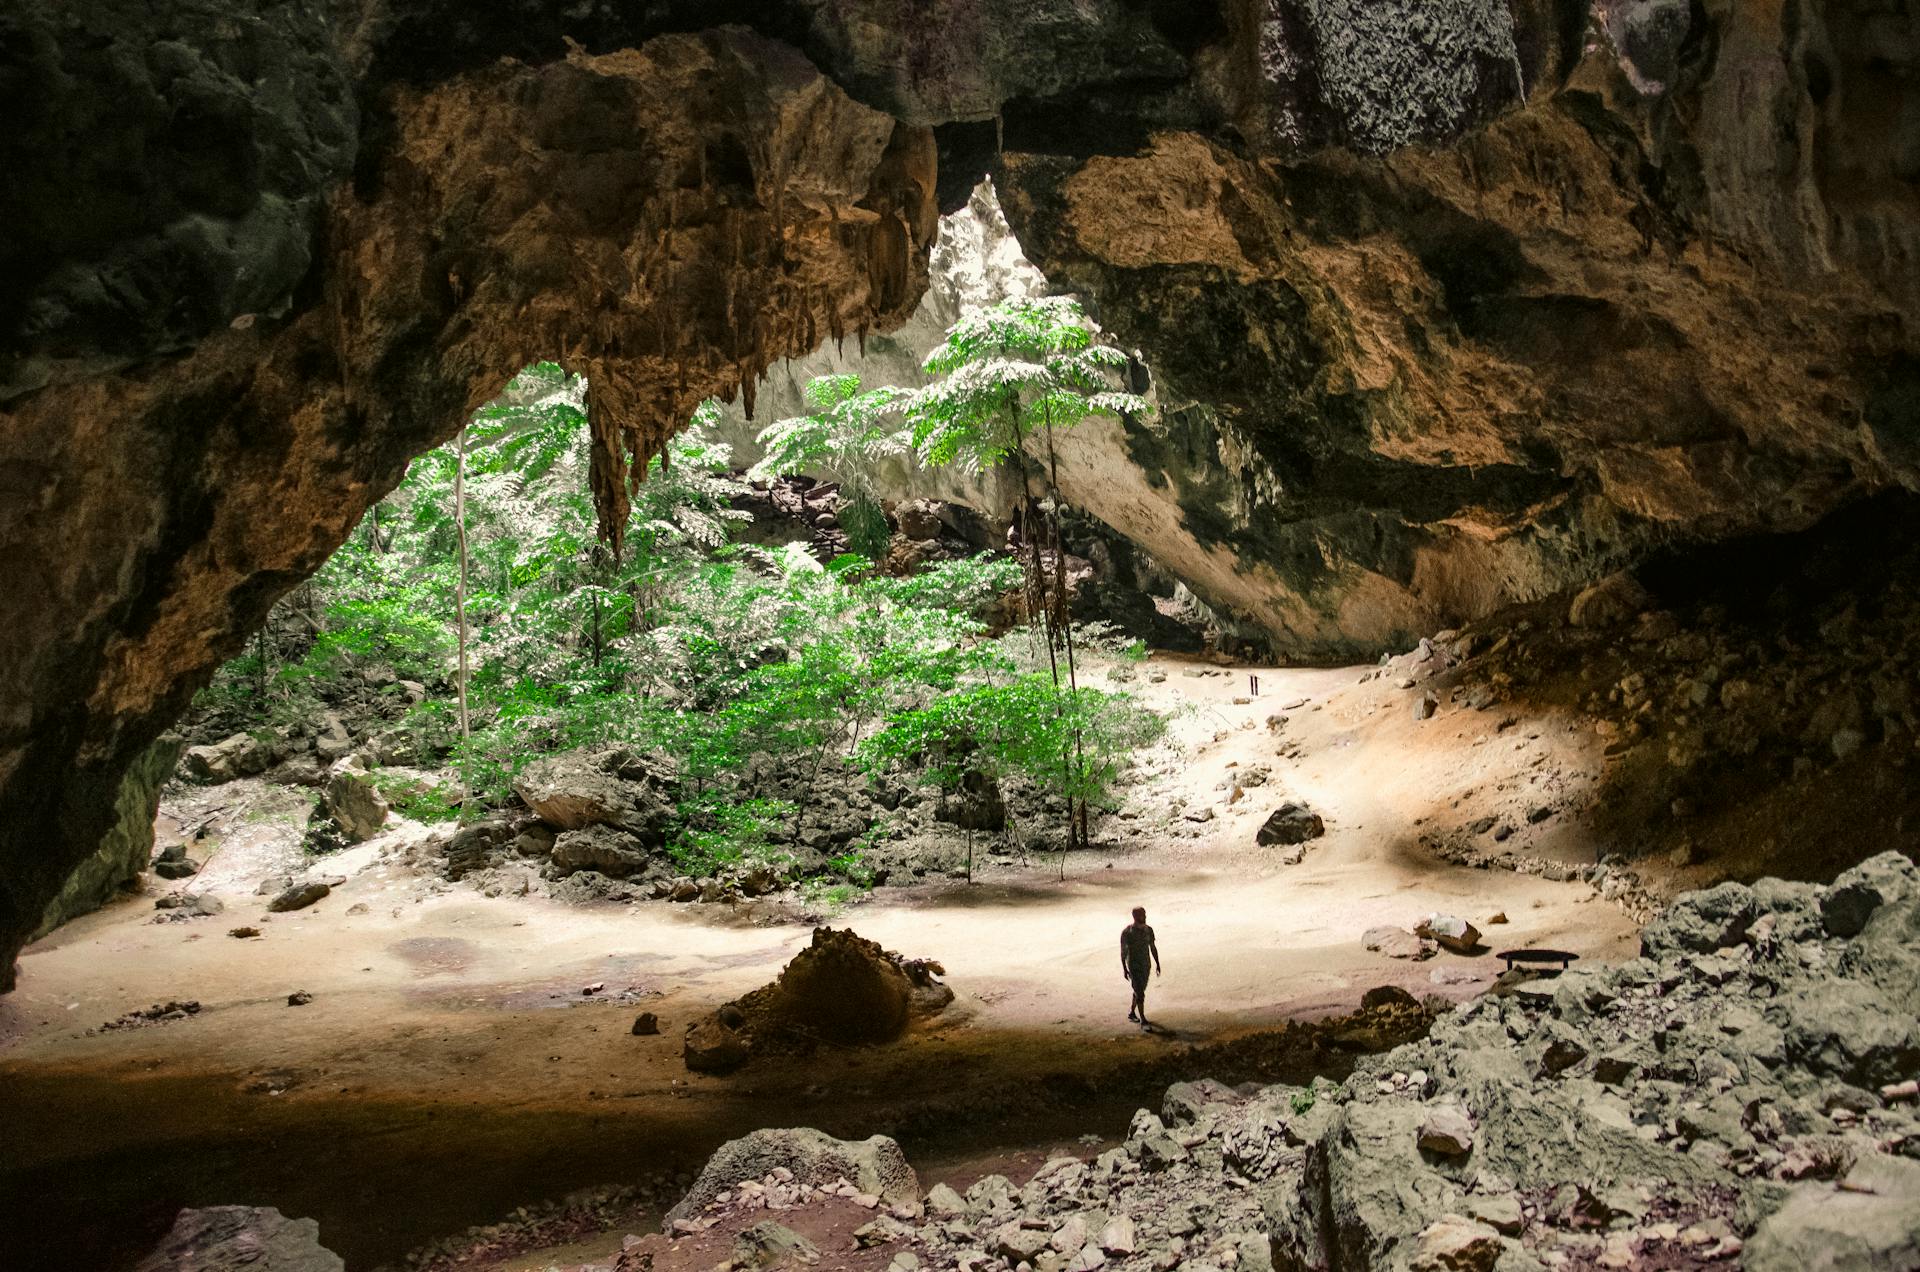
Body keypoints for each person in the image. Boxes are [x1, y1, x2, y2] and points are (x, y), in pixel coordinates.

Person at [1120, 906, 1161, 1028]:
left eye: (1144, 914)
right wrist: (1125, 968)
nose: (1144, 917)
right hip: (1134, 965)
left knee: (1139, 990)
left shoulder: (1148, 930)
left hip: (1145, 964)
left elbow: (1152, 947)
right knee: (1140, 992)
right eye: (1142, 915)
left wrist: (1157, 963)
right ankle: (1142, 1019)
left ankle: (1132, 1012)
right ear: (1135, 917)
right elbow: (1123, 951)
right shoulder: (1127, 933)